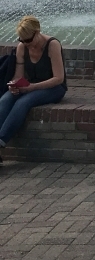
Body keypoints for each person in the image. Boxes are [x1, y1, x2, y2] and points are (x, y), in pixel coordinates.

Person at [0, 16, 66, 158]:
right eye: (22, 40)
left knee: (23, 102)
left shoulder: (52, 45)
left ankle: (1, 142)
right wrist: (15, 85)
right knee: (5, 100)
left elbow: (59, 78)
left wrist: (32, 87)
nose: (26, 43)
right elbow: (19, 75)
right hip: (31, 85)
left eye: (28, 40)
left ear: (37, 32)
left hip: (53, 87)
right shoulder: (22, 47)